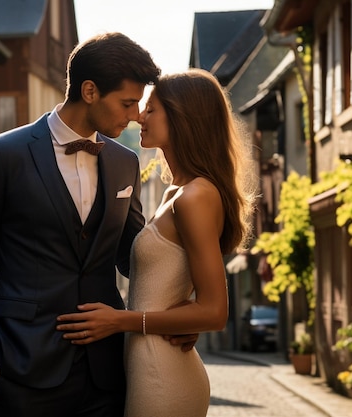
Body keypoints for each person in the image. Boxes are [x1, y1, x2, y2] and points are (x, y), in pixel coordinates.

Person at [0, 32, 196, 417]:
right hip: (21, 374)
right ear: (90, 91)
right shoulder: (1, 156)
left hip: (106, 376)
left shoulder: (124, 162)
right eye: (127, 103)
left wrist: (178, 311)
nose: (134, 115)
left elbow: (135, 259)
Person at [56, 68, 257, 417]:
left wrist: (120, 321)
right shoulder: (175, 193)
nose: (139, 116)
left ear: (183, 117)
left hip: (163, 376)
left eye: (151, 109)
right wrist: (180, 315)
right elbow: (171, 286)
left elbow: (214, 311)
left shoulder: (195, 197)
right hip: (148, 367)